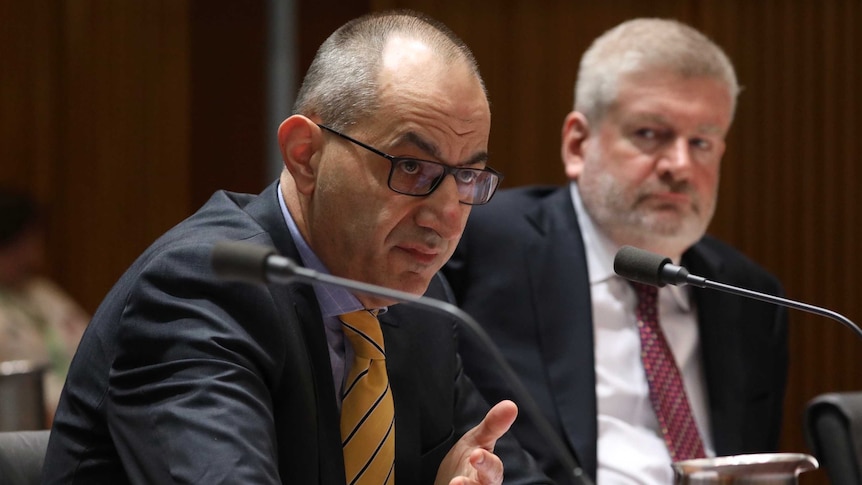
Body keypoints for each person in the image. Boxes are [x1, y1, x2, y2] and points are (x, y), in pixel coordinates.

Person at [42, 11, 550, 485]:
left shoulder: (415, 303)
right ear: (305, 156)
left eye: (465, 176)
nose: (445, 215)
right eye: (412, 167)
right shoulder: (203, 289)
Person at [443, 18, 789, 485]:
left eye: (701, 142)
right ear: (577, 144)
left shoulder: (749, 296)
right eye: (650, 134)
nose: (680, 166)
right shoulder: (477, 244)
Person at [0, 188, 89, 423]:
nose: (33, 256)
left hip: (85, 415)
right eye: (21, 246)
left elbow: (95, 346)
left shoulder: (43, 293)